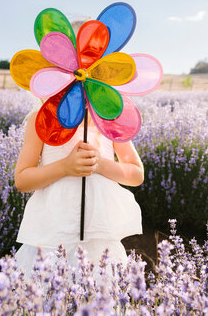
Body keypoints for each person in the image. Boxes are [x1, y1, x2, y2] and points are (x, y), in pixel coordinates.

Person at [13, 97, 144, 278]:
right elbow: (22, 180)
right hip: (53, 229)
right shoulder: (42, 117)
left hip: (98, 229)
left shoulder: (109, 117)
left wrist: (100, 164)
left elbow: (136, 174)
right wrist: (65, 167)